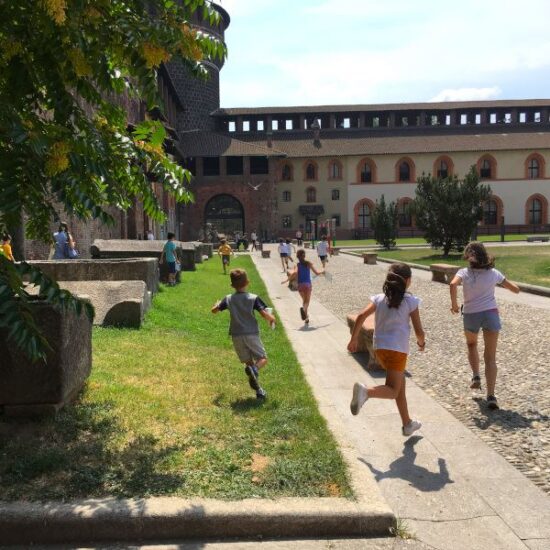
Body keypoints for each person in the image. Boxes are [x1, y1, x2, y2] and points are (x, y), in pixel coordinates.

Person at [348, 263, 426, 436]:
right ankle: (365, 392)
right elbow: (419, 331)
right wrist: (421, 343)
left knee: (399, 385)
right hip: (397, 350)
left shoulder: (378, 299)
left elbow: (361, 316)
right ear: (408, 281)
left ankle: (407, 424)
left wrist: (353, 339)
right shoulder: (410, 301)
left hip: (380, 350)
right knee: (392, 391)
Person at [449, 242, 520, 410]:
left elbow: (452, 284)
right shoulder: (494, 273)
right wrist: (515, 287)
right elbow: (515, 289)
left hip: (471, 314)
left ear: (468, 256)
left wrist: (454, 304)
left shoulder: (464, 272)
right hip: (490, 314)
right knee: (491, 357)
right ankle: (491, 396)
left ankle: (476, 376)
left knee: (471, 344)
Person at [211, 268, 276, 399]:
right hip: (251, 333)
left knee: (248, 363)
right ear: (248, 282)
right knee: (262, 359)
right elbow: (264, 314)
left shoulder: (228, 299)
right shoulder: (253, 298)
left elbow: (214, 310)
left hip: (236, 336)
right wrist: (272, 319)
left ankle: (259, 391)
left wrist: (216, 304)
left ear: (231, 285)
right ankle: (256, 369)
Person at [292, 248, 323, 324]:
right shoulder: (308, 263)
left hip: (300, 286)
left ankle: (306, 318)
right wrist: (323, 270)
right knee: (307, 302)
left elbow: (295, 273)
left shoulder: (297, 265)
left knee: (304, 301)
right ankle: (304, 310)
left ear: (297, 256)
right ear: (304, 256)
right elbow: (317, 273)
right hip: (307, 285)